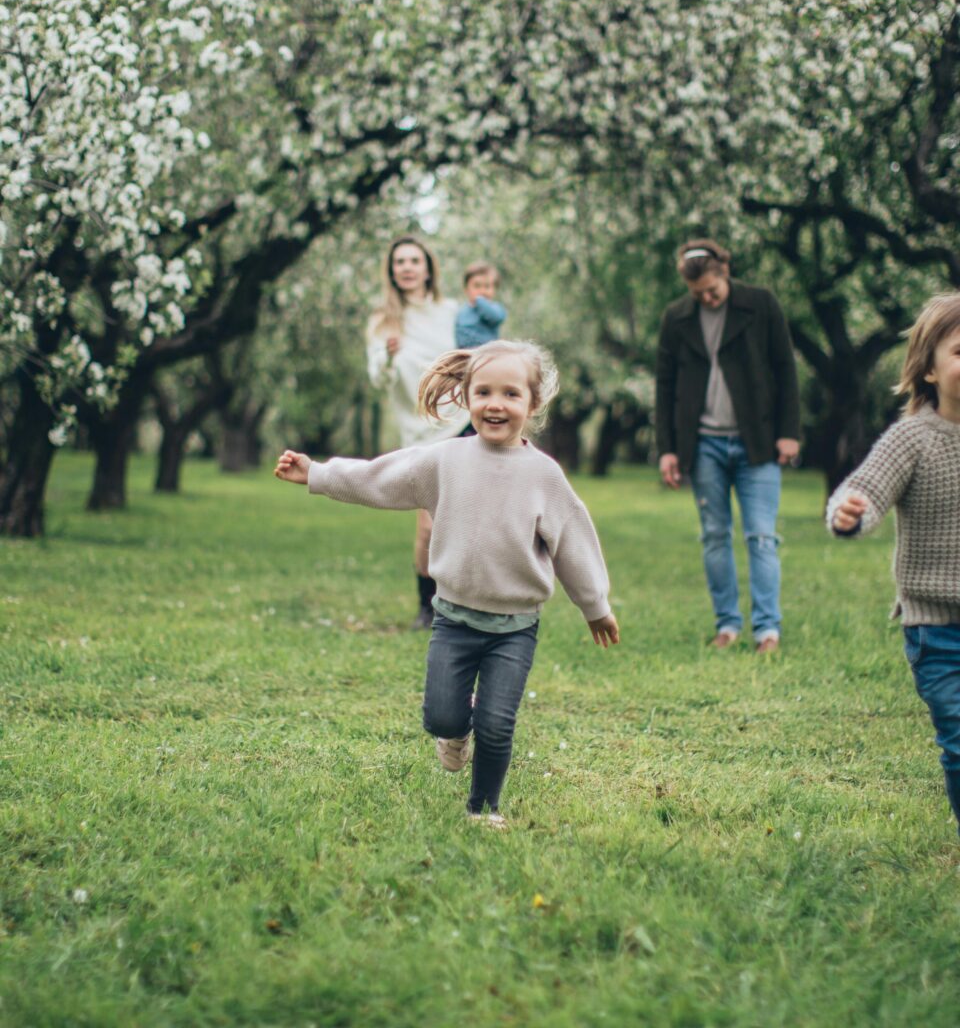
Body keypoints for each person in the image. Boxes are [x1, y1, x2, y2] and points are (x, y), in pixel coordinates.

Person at [275, 339, 621, 828]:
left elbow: (574, 545)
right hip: (453, 621)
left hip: (514, 628)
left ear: (533, 403)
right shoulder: (445, 461)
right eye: (483, 392)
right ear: (466, 397)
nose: (495, 404)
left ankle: (483, 809)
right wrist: (318, 473)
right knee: (442, 717)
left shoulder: (544, 476)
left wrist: (595, 606)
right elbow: (380, 478)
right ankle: (455, 730)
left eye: (510, 394)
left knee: (497, 725)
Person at [827, 292, 960, 836]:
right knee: (958, 734)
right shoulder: (913, 439)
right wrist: (849, 512)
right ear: (928, 368)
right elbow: (863, 490)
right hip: (935, 628)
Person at [655, 238, 800, 653]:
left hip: (758, 441)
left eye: (712, 289)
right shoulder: (677, 318)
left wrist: (789, 431)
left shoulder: (761, 304)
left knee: (761, 535)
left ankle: (767, 629)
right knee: (715, 535)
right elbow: (664, 386)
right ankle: (727, 625)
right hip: (703, 445)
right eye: (697, 293)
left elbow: (785, 368)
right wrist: (667, 448)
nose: (707, 297)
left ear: (725, 271)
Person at [367, 235, 470, 628]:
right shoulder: (383, 320)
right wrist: (389, 356)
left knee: (466, 519)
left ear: (428, 267)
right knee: (428, 526)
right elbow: (377, 377)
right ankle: (427, 607)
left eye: (414, 260)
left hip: (462, 422)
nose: (407, 267)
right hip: (420, 432)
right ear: (392, 272)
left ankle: (464, 604)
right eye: (400, 262)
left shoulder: (451, 311)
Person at [455, 261, 507, 349]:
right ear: (466, 289)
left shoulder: (495, 308)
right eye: (477, 286)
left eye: (487, 286)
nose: (482, 291)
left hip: (487, 355)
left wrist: (480, 301)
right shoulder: (462, 311)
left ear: (495, 289)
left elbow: (496, 317)